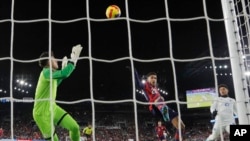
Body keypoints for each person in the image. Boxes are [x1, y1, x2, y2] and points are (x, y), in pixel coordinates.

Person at [32, 44, 83, 141]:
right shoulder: (46, 72)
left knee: (75, 127)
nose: (56, 60)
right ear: (49, 61)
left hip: (52, 108)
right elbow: (65, 74)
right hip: (41, 114)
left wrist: (63, 71)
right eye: (54, 58)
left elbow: (58, 81)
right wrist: (73, 60)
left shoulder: (50, 74)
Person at [134, 70, 185, 141]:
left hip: (162, 106)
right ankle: (165, 115)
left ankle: (166, 116)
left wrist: (161, 97)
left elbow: (157, 96)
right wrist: (135, 72)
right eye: (152, 77)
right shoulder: (146, 85)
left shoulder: (155, 88)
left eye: (155, 78)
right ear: (147, 79)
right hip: (155, 107)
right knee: (159, 103)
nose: (154, 79)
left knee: (182, 127)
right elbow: (138, 83)